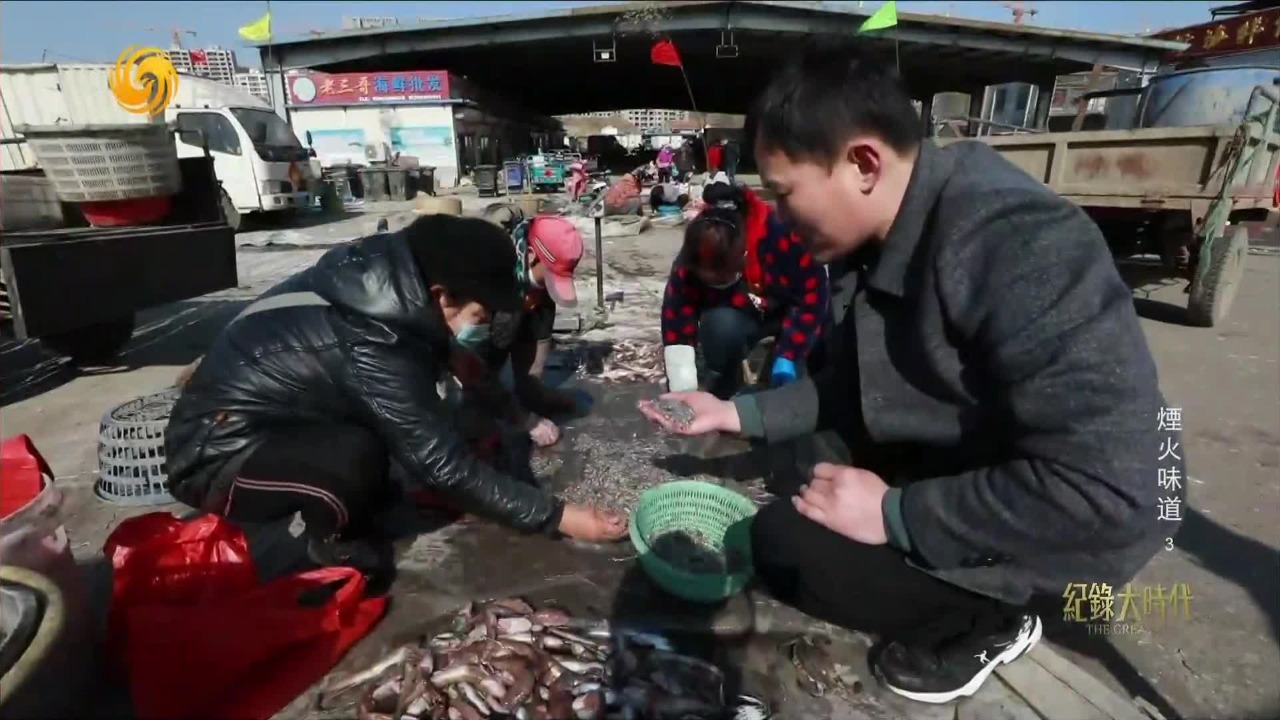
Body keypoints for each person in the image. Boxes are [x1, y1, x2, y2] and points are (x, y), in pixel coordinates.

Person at [641, 43, 1181, 705]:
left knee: (784, 547)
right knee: (808, 469)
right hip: (970, 448)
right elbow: (856, 383)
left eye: (785, 194)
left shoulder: (1021, 245)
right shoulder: (870, 234)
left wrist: (894, 513)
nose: (779, 217)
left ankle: (994, 617)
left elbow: (1113, 490)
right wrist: (732, 412)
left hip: (1059, 518)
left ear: (863, 163)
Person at [165, 214, 627, 575]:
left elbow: (471, 375)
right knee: (357, 461)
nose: (479, 330)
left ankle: (346, 495)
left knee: (389, 446)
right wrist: (559, 516)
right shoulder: (374, 339)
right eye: (479, 317)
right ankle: (325, 546)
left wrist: (516, 414)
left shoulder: (393, 286)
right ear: (441, 296)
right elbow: (442, 464)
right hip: (215, 454)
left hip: (282, 421)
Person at [659, 182, 830, 400]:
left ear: (742, 254)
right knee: (720, 326)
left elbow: (812, 295)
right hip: (740, 315)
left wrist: (789, 352)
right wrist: (682, 387)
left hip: (787, 312)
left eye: (720, 276)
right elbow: (676, 320)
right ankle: (726, 380)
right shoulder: (693, 256)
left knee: (807, 375)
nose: (712, 281)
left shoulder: (782, 236)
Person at [473, 213, 586, 449]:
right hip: (482, 349)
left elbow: (532, 370)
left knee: (532, 394)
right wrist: (524, 420)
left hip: (525, 309)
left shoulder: (542, 295)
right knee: (473, 414)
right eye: (552, 274)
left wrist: (538, 396)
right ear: (532, 255)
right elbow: (471, 371)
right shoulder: (490, 278)